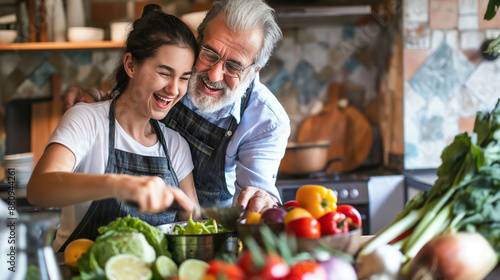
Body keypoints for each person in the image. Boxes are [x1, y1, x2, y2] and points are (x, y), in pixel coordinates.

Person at [63, 0, 291, 216]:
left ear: (253, 72)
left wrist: (262, 201)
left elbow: (254, 200)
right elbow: (133, 101)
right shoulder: (176, 74)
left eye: (233, 66)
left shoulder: (266, 121)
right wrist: (101, 101)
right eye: (209, 53)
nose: (214, 74)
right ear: (197, 42)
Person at [27, 4, 200, 251]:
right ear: (131, 65)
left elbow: (192, 225)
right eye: (164, 73)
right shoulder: (86, 120)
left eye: (184, 77)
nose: (174, 89)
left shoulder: (175, 145)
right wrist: (119, 185)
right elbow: (39, 189)